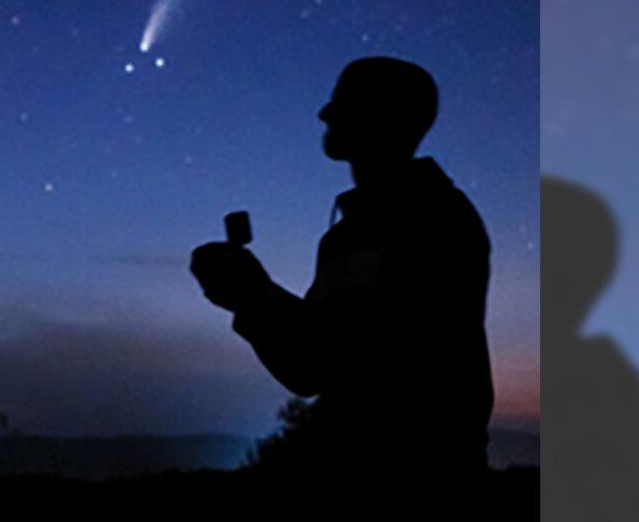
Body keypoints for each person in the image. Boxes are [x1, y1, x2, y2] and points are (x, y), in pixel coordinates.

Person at [190, 57, 493, 514]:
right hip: (365, 478)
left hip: (413, 487)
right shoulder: (348, 234)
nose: (325, 114)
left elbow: (349, 360)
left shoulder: (435, 218)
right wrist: (252, 296)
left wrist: (256, 298)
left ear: (381, 114)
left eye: (343, 101)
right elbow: (314, 364)